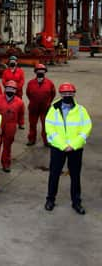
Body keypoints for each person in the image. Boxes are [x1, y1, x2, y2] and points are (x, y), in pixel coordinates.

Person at [44, 83, 92, 215]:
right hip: (58, 148)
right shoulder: (53, 110)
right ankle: (50, 200)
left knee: (75, 176)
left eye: (70, 93)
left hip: (75, 149)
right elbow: (50, 129)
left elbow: (86, 129)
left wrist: (74, 145)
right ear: (60, 94)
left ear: (74, 94)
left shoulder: (81, 111)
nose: (67, 96)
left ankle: (76, 202)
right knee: (54, 174)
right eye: (65, 94)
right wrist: (63, 145)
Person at [0, 81, 25, 172]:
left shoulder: (19, 102)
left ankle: (6, 164)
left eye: (12, 89)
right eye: (8, 88)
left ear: (15, 90)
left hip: (11, 126)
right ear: (5, 89)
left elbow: (21, 114)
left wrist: (21, 123)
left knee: (7, 147)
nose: (10, 90)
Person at [25, 64, 56, 146]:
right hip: (33, 108)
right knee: (32, 124)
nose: (40, 72)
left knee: (46, 125)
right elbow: (28, 93)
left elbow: (53, 94)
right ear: (35, 72)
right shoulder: (31, 83)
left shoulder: (49, 83)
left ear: (45, 72)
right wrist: (34, 101)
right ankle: (31, 139)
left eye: (42, 71)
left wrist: (48, 102)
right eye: (38, 71)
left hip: (45, 108)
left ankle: (47, 141)